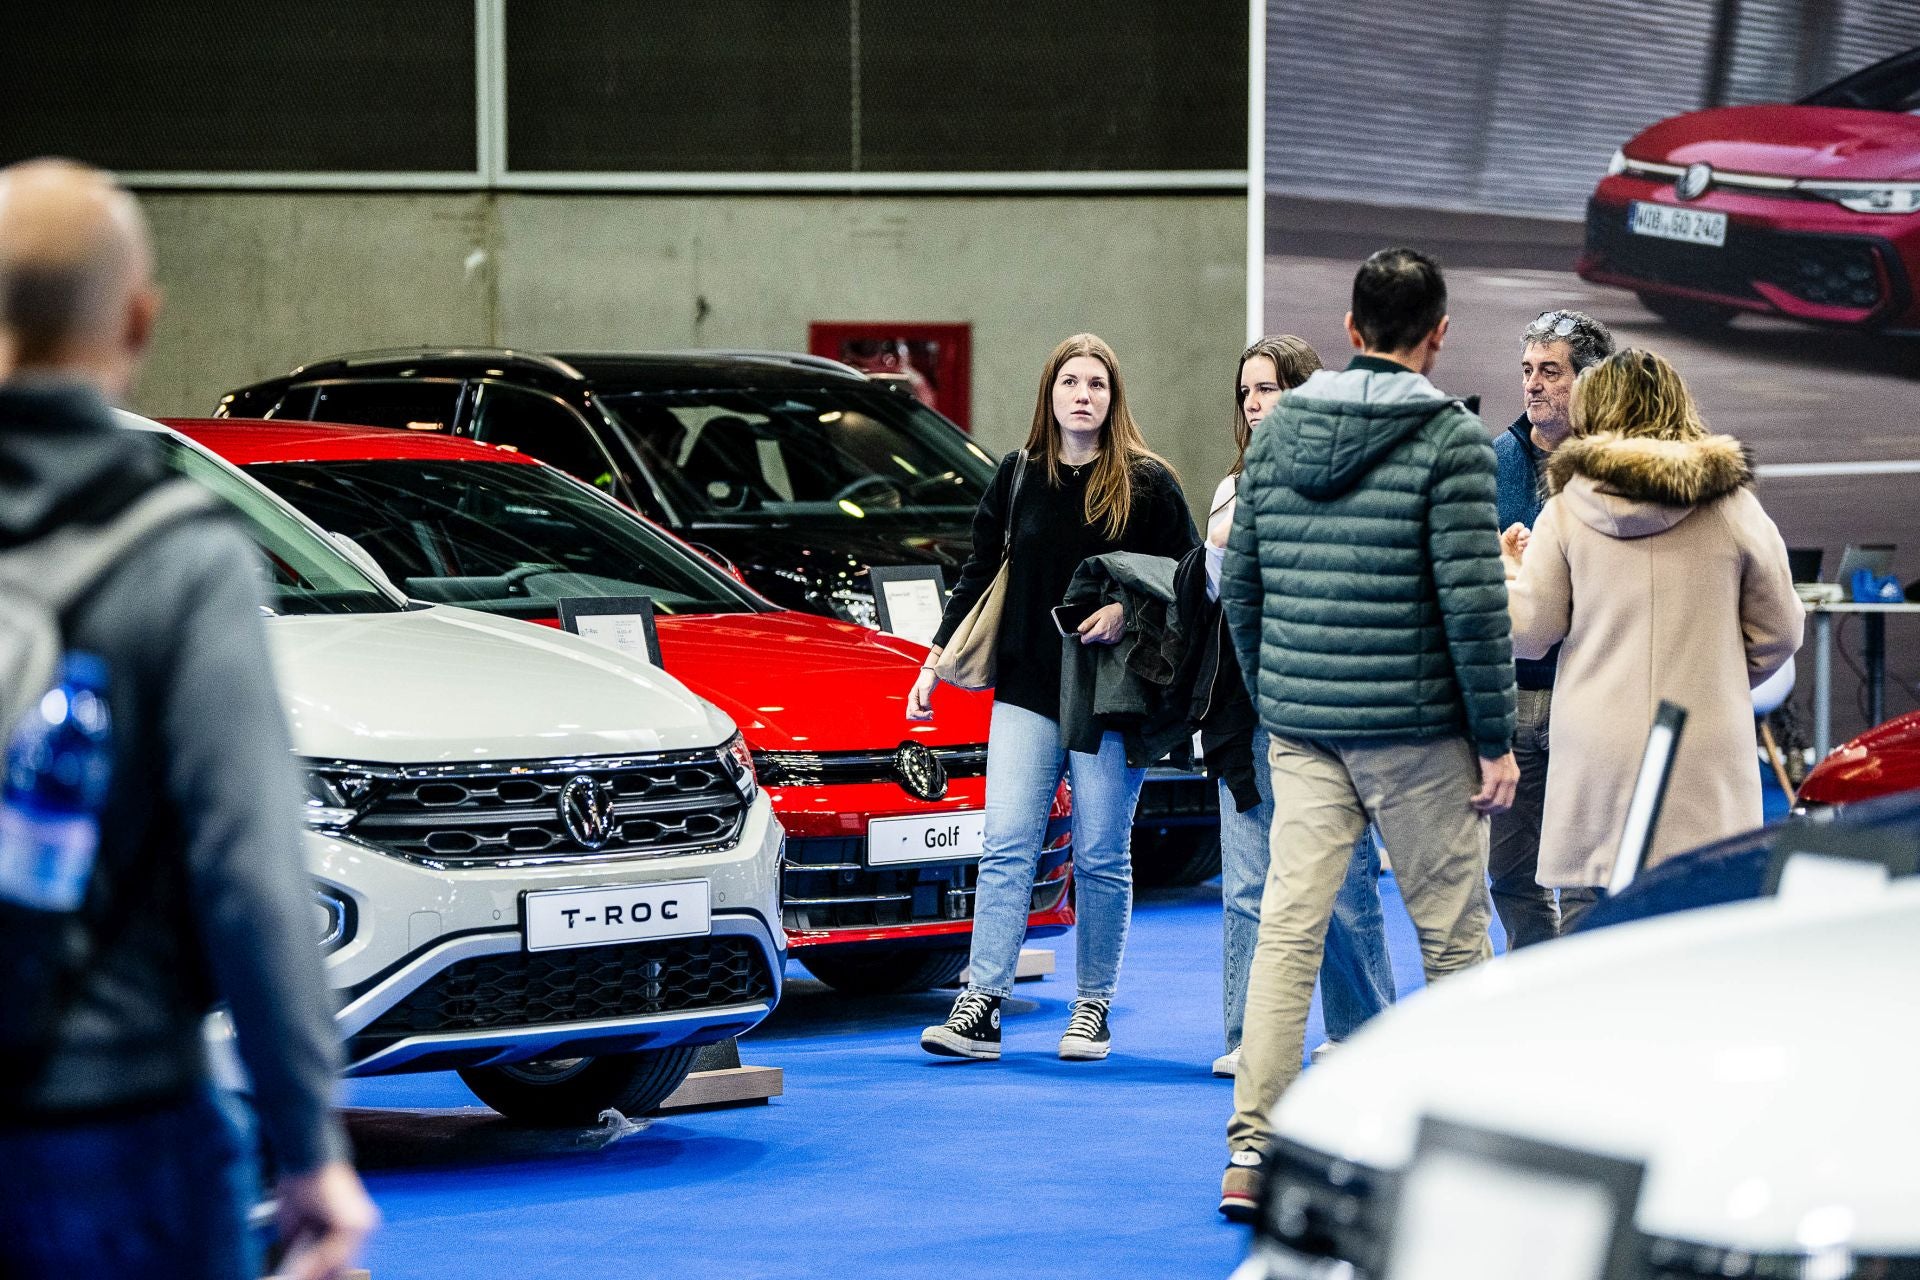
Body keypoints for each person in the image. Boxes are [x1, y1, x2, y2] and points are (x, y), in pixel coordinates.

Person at [0, 160, 375, 1280]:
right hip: (113, 1115)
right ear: (140, 317)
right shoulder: (177, 552)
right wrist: (310, 1148)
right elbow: (249, 870)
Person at [1217, 248, 1516, 1219]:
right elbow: (1473, 607)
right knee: (1454, 942)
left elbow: (1244, 587)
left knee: (1287, 934)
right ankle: (1464, 1154)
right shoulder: (1454, 440)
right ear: (1437, 336)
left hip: (1304, 728)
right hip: (1419, 732)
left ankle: (1251, 1149)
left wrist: (1280, 698)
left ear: (1349, 330)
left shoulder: (1279, 430)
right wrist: (1495, 736)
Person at [910, 333, 1196, 1062]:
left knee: (1101, 855)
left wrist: (1127, 614)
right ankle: (983, 1003)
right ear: (1049, 394)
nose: (1083, 395)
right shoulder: (1016, 476)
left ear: (1113, 397)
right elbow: (978, 572)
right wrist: (933, 664)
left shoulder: (1148, 482)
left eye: (1097, 384)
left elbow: (1191, 585)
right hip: (1028, 688)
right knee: (1007, 847)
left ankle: (1092, 1006)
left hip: (1108, 696)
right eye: (1070, 381)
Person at [1505, 349, 1802, 927]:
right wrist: (1717, 677)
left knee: (1592, 928)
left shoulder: (1565, 509)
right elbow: (1781, 631)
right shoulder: (1732, 505)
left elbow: (1531, 633)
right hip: (1702, 742)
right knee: (1700, 924)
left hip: (1596, 748)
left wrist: (1505, 573)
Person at [1204, 335, 1394, 1078]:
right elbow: (1222, 579)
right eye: (1247, 391)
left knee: (1343, 886)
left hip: (1327, 711)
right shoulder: (1230, 489)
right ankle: (1251, 1039)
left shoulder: (1344, 482)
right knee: (1249, 885)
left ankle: (1365, 1029)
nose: (1255, 404)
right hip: (1245, 710)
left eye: (1271, 389)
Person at [1490, 309, 1615, 947]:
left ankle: (1584, 1002)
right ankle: (1535, 978)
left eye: (1551, 372)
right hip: (1509, 696)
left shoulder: (1618, 472)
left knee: (1588, 875)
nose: (1534, 385)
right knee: (1509, 872)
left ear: (1590, 381)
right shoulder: (1492, 462)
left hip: (1587, 693)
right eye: (1527, 371)